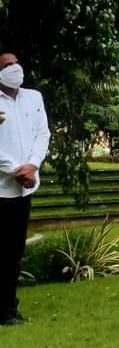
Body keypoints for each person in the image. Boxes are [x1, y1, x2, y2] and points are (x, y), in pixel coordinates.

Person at [0, 51, 50, 326]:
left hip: (25, 189)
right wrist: (15, 170)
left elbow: (42, 133)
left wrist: (32, 165)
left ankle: (8, 309)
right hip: (2, 188)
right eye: (7, 65)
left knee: (13, 252)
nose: (14, 68)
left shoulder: (34, 97)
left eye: (16, 62)